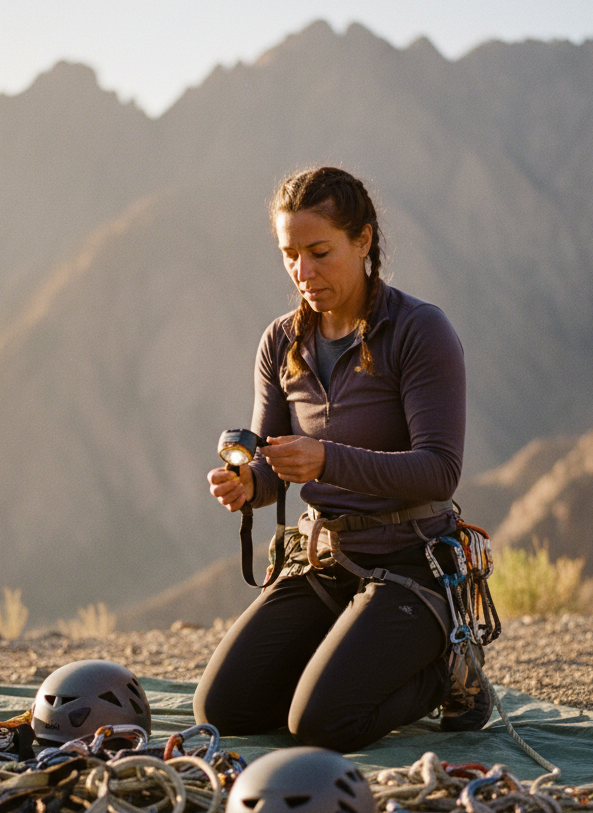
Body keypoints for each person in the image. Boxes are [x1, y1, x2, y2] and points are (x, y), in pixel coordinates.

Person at [195, 166, 490, 753]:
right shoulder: (280, 343)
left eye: (319, 251)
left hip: (412, 565)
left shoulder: (418, 331)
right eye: (289, 255)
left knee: (323, 723)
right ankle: (347, 655)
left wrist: (327, 460)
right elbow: (272, 463)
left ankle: (452, 669)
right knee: (223, 708)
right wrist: (249, 485)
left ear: (364, 242)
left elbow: (439, 470)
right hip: (326, 561)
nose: (303, 272)